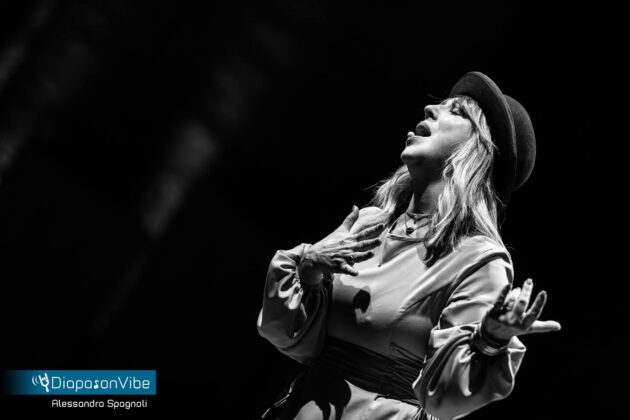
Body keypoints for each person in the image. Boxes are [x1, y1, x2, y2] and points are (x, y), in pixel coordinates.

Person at [256, 72, 561, 420]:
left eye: (456, 111)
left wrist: (489, 341)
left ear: (477, 151)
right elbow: (290, 338)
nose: (430, 109)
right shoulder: (369, 224)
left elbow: (444, 400)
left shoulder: (479, 258)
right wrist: (309, 268)